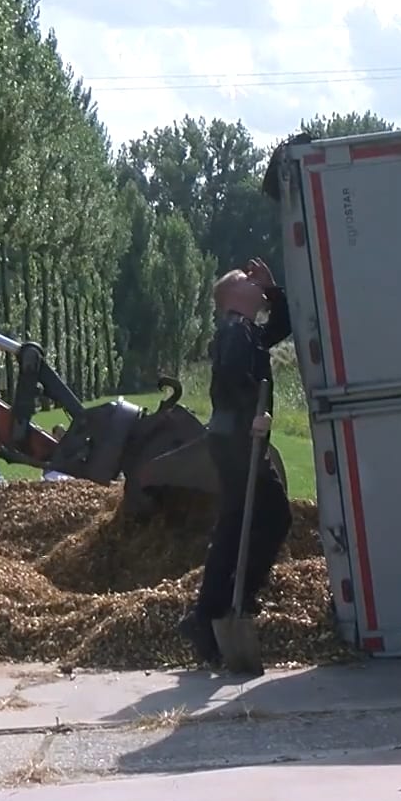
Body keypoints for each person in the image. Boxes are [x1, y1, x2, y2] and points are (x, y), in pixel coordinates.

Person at [177, 257, 294, 667]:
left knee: (239, 524)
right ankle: (224, 605)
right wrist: (254, 417)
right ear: (231, 295)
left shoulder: (247, 332)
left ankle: (214, 611)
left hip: (235, 442)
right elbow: (229, 378)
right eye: (248, 279)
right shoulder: (233, 333)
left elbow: (283, 326)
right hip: (237, 442)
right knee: (271, 517)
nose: (254, 282)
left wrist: (272, 287)